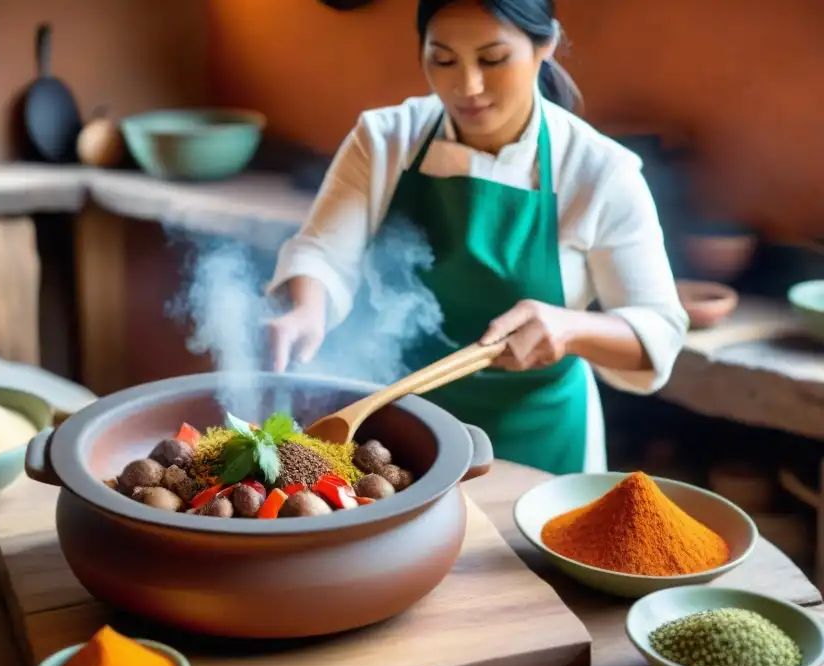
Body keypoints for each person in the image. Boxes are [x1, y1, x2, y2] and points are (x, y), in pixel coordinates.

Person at [265, 0, 688, 475]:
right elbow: (322, 252)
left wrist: (568, 329)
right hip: (399, 432)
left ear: (544, 45)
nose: (466, 86)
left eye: (492, 59)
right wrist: (306, 311)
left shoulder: (598, 171)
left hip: (538, 441)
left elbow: (658, 331)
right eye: (443, 60)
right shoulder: (387, 139)